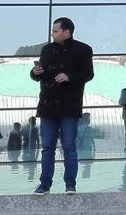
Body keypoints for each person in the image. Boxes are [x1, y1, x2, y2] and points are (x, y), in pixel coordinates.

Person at [31, 16, 94, 195]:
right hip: (48, 106)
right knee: (47, 148)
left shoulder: (83, 49)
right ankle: (44, 184)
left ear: (67, 32)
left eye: (55, 31)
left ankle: (70, 184)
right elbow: (39, 76)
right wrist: (35, 72)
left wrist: (69, 77)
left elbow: (88, 74)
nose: (52, 34)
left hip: (69, 106)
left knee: (69, 146)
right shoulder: (47, 50)